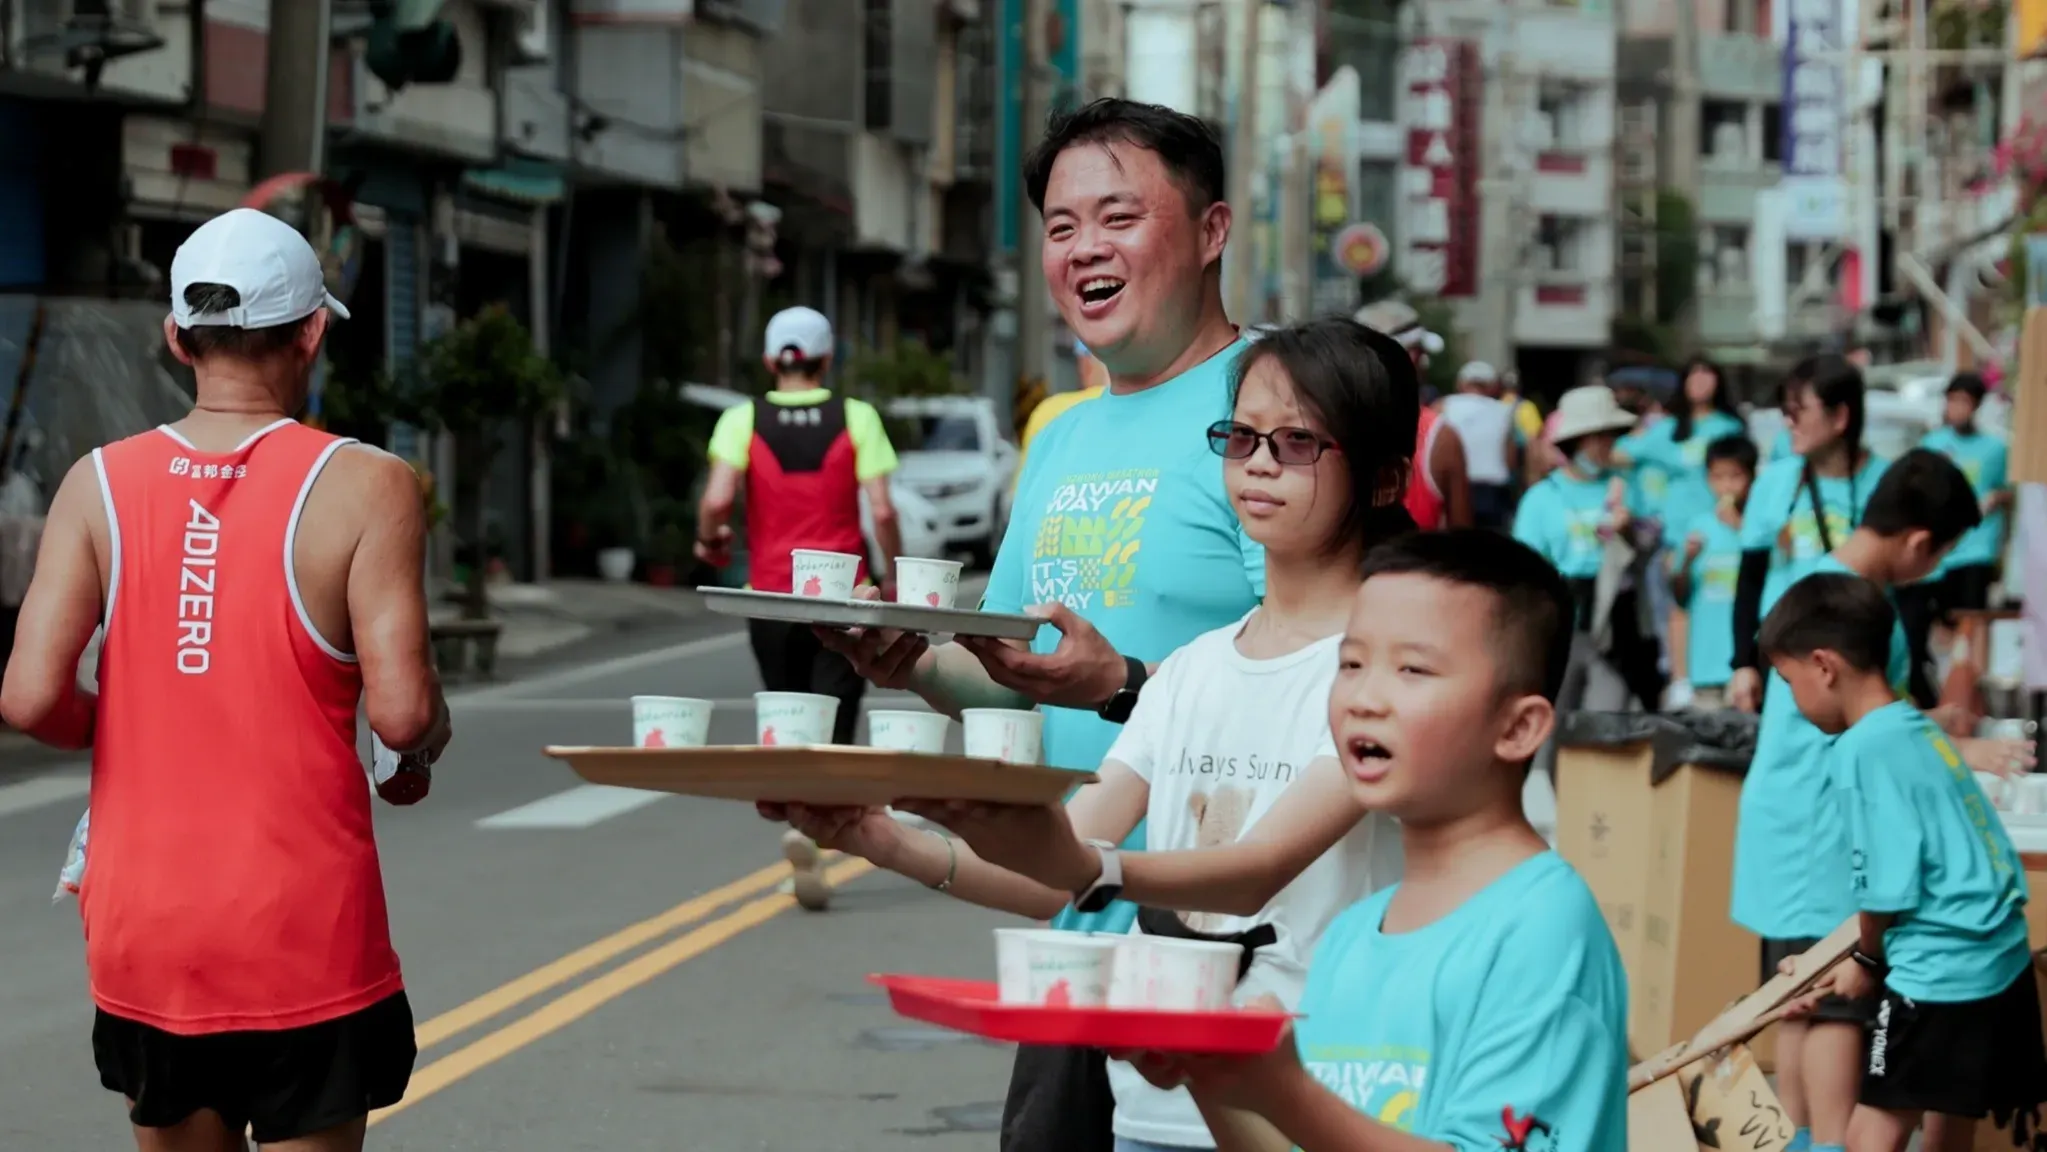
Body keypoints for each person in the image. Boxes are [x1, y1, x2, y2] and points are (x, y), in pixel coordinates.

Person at [773, 317, 1418, 1152]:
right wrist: (879, 836)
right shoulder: (1191, 671)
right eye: (1241, 436)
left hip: (1315, 1105)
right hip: (1153, 1108)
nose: (1259, 462)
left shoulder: (1378, 676)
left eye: (1298, 442)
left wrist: (1088, 866)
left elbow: (1252, 872)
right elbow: (1060, 874)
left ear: (1383, 477)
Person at [815, 98, 1270, 1152]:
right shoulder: (1062, 434)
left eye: (1118, 217)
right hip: (1080, 921)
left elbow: (1328, 675)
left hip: (1232, 940)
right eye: (1062, 227)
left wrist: (1124, 683)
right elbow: (1017, 669)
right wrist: (911, 662)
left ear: (1211, 230)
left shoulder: (1272, 412)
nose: (1084, 249)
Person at [0, 206, 448, 1152]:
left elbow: (30, 698)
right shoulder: (367, 484)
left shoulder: (96, 483)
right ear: (313, 332)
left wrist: (131, 718)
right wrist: (420, 740)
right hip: (303, 931)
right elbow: (403, 714)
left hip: (147, 928)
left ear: (176, 337)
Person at [1115, 530, 1629, 1152]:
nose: (1363, 698)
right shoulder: (1353, 935)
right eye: (1351, 664)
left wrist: (1289, 1094)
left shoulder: (1543, 926)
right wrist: (1213, 1078)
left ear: (1519, 727)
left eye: (1412, 669)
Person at [1729, 449, 2007, 1152]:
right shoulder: (1847, 604)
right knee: (1833, 1006)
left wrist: (1934, 728)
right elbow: (1857, 727)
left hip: (1801, 816)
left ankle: (1806, 1139)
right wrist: (1951, 744)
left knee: (1805, 996)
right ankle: (1824, 1140)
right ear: (1920, 541)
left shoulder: (1821, 586)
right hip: (1816, 821)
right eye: (1940, 554)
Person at [1760, 572, 2047, 1152]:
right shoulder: (1917, 730)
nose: (1792, 700)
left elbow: (1886, 890)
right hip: (2001, 960)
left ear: (1823, 666)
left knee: (1872, 1131)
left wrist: (1865, 962)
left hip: (1938, 976)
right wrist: (1823, 961)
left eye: (1789, 682)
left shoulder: (1862, 750)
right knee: (1951, 1114)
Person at [695, 305, 903, 911]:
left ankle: (799, 824)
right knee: (835, 722)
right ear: (826, 359)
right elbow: (883, 510)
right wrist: (893, 572)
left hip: (770, 597)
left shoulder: (742, 419)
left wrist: (711, 540)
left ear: (770, 360)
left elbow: (717, 499)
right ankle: (816, 833)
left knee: (789, 716)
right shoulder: (857, 416)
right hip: (844, 593)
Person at [1728, 354, 1892, 715]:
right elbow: (1749, 580)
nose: (1788, 422)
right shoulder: (1773, 482)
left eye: (1797, 411)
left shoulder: (1887, 484)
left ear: (1840, 416)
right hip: (1786, 665)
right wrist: (1743, 664)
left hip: (1864, 665)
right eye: (1785, 412)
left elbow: (1910, 591)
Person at [1512, 383, 1664, 715]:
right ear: (1576, 441)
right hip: (1563, 622)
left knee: (1606, 720)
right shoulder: (1541, 498)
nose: (1607, 445)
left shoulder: (1625, 487)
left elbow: (1650, 549)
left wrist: (1630, 529)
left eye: (1611, 436)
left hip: (1616, 628)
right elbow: (1524, 571)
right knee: (1554, 718)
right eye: (1598, 437)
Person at [1636, 357, 1747, 707]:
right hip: (1679, 538)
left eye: (1707, 373)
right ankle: (1678, 676)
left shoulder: (1730, 427)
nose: (1700, 381)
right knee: (1677, 606)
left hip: (1725, 534)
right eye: (1693, 374)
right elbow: (1625, 453)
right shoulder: (1668, 429)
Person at [1896, 371, 2011, 707]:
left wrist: (1995, 498)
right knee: (1930, 624)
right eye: (1953, 400)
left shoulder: (1995, 448)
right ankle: (1938, 688)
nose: (1958, 408)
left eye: (1965, 402)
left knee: (1971, 622)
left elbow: (2008, 492)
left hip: (1976, 548)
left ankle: (1968, 692)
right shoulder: (1932, 445)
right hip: (1939, 554)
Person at [1353, 299, 1470, 531]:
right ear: (1412, 356)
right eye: (1421, 352)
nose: (1426, 363)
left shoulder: (1326, 425)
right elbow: (1464, 542)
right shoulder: (1441, 438)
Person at [1669, 435, 1758, 710]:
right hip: (1705, 667)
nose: (1726, 486)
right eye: (1718, 477)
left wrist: (1741, 529)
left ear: (1752, 477)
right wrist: (1686, 561)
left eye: (1735, 476)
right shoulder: (1700, 527)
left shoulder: (1758, 527)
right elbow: (1680, 598)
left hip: (1747, 666)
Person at [1437, 360, 1516, 528]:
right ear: (1493, 387)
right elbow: (1510, 459)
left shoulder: (1443, 406)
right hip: (1493, 492)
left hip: (1455, 487)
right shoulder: (1504, 410)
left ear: (1461, 383)